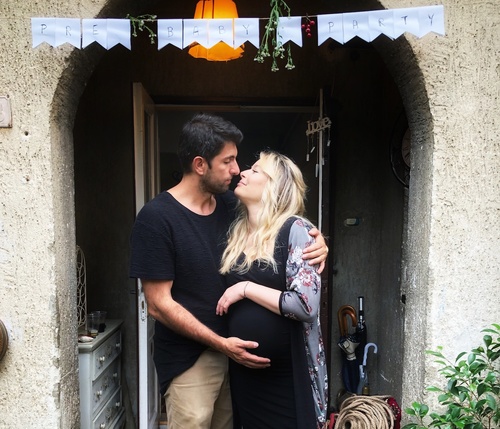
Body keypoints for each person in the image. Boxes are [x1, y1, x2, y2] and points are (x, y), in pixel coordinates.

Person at [129, 113, 328, 429]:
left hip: (241, 363)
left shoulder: (231, 207)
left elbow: (276, 218)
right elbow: (158, 304)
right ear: (200, 165)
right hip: (193, 358)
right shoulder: (156, 219)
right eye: (228, 161)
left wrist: (318, 244)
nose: (237, 170)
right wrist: (221, 344)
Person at [216, 150, 328, 429]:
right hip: (245, 378)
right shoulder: (236, 232)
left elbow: (305, 306)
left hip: (287, 379)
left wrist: (245, 288)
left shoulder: (297, 230)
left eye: (255, 170)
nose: (243, 172)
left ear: (276, 186)